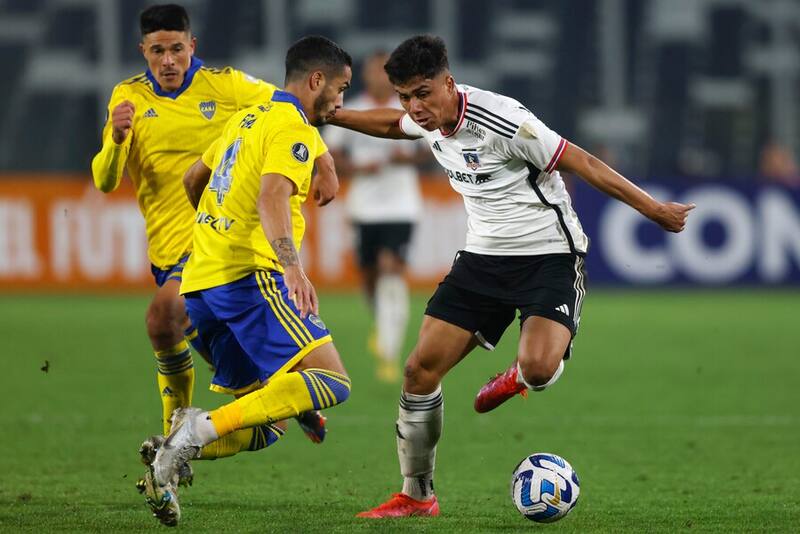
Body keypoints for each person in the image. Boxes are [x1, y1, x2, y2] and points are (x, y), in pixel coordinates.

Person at [328, 35, 695, 517]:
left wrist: (654, 210)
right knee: (419, 371)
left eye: (422, 93)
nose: (414, 108)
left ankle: (521, 375)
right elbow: (394, 127)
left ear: (449, 83)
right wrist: (332, 116)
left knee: (542, 368)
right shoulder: (427, 120)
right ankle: (417, 496)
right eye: (404, 96)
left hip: (549, 255)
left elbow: (581, 162)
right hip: (482, 259)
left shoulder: (503, 119)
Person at [90, 4, 333, 461]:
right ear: (142, 50)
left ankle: (173, 445)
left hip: (215, 243)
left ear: (192, 46)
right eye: (157, 50)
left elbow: (290, 109)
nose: (168, 60)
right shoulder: (127, 98)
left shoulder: (226, 85)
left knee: (162, 320)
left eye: (177, 49)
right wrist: (116, 140)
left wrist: (323, 158)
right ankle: (277, 392)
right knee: (235, 375)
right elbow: (104, 180)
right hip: (165, 250)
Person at [139, 35, 353, 527]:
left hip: (202, 282)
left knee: (267, 423)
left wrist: (217, 234)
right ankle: (193, 431)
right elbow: (274, 197)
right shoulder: (291, 129)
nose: (341, 102)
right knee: (331, 381)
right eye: (340, 88)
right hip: (250, 278)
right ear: (315, 80)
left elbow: (195, 179)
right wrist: (292, 267)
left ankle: (168, 452)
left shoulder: (247, 117)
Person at [324, 50, 426, 383]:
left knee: (390, 268)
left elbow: (431, 149)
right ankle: (383, 325)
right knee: (369, 278)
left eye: (383, 72)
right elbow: (330, 156)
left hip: (401, 205)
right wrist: (358, 168)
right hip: (364, 208)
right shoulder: (356, 109)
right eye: (373, 72)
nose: (378, 78)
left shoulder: (408, 109)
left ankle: (389, 350)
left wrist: (405, 160)